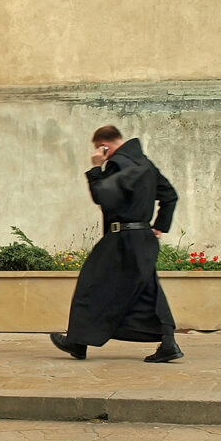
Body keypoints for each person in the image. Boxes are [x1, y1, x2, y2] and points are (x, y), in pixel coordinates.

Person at [50, 125, 183, 363]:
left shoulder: (118, 164)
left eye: (99, 149)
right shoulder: (146, 164)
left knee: (91, 284)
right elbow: (170, 195)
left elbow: (104, 197)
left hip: (121, 238)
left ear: (105, 146)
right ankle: (168, 342)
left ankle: (77, 342)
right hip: (143, 238)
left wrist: (94, 168)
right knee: (148, 290)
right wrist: (159, 226)